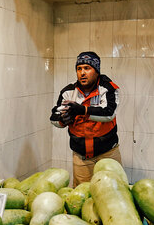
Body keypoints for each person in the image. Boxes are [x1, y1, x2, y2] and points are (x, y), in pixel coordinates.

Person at [50, 51, 121, 187]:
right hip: (81, 157)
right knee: (82, 196)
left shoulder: (108, 88)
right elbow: (53, 116)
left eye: (87, 68)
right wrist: (63, 120)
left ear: (96, 71)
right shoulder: (68, 92)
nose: (82, 73)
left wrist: (82, 110)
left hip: (108, 154)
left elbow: (109, 113)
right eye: (79, 69)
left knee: (114, 191)